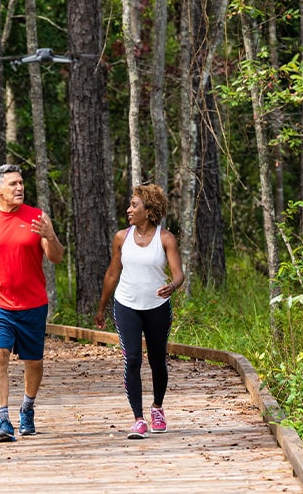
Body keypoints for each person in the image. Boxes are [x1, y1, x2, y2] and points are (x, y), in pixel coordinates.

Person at [0, 164, 65, 443]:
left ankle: (27, 407)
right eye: (13, 184)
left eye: (21, 183)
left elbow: (56, 258)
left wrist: (50, 234)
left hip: (32, 304)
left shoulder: (37, 217)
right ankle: (3, 419)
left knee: (34, 363)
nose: (19, 188)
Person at [95, 183, 184, 439]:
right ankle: (138, 418)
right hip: (126, 305)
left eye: (134, 205)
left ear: (149, 209)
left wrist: (173, 286)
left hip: (157, 307)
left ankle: (157, 408)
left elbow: (178, 273)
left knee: (157, 359)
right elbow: (113, 273)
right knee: (132, 358)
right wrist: (101, 306)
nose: (129, 209)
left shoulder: (166, 239)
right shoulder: (121, 237)